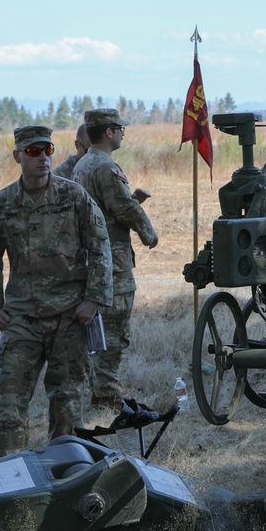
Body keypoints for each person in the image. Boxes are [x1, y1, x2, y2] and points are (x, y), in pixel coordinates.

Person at [0, 125, 113, 458]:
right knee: (10, 404)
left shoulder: (74, 197)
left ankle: (67, 478)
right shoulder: (2, 204)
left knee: (67, 406)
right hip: (22, 318)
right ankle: (6, 483)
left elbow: (100, 247)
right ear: (17, 157)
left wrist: (93, 300)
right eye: (33, 152)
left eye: (48, 150)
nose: (42, 158)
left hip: (69, 317)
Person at [72, 108, 158, 410]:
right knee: (115, 329)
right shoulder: (106, 167)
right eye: (121, 128)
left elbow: (103, 208)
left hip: (89, 259)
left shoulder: (82, 164)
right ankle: (106, 394)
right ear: (109, 132)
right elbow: (123, 210)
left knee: (97, 328)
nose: (123, 133)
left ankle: (96, 387)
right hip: (112, 262)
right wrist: (149, 233)